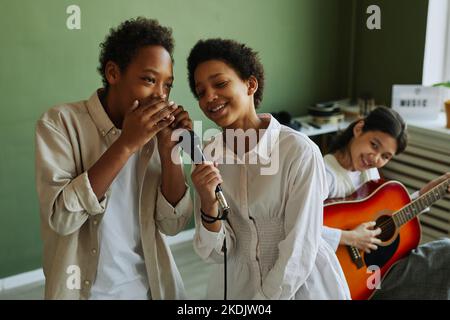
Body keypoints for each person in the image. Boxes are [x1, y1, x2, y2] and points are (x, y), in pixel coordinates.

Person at [35, 17, 193, 300]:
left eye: (167, 85)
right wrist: (126, 144)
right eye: (148, 79)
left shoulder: (159, 135)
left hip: (150, 290)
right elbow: (61, 218)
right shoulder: (60, 123)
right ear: (113, 73)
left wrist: (171, 152)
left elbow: (173, 225)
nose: (160, 95)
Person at [186, 38, 351, 300]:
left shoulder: (299, 152)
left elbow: (299, 249)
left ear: (251, 84)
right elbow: (215, 252)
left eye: (220, 84)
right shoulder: (209, 155)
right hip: (235, 286)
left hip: (299, 286)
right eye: (201, 91)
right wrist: (208, 202)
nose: (209, 98)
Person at [322, 106, 450, 299]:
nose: (375, 158)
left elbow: (382, 215)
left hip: (374, 268)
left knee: (445, 251)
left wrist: (424, 194)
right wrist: (351, 238)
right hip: (336, 276)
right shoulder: (325, 174)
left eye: (385, 156)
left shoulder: (369, 172)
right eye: (374, 145)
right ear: (359, 129)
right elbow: (300, 228)